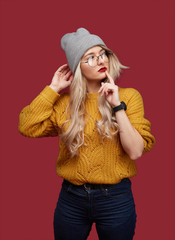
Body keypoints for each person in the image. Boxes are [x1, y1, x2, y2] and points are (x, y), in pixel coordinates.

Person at [18, 27, 155, 240]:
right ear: (77, 67)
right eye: (90, 58)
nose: (100, 61)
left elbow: (136, 151)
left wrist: (117, 106)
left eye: (102, 54)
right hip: (71, 199)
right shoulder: (64, 103)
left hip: (115, 199)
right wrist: (53, 89)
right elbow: (26, 126)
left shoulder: (129, 96)